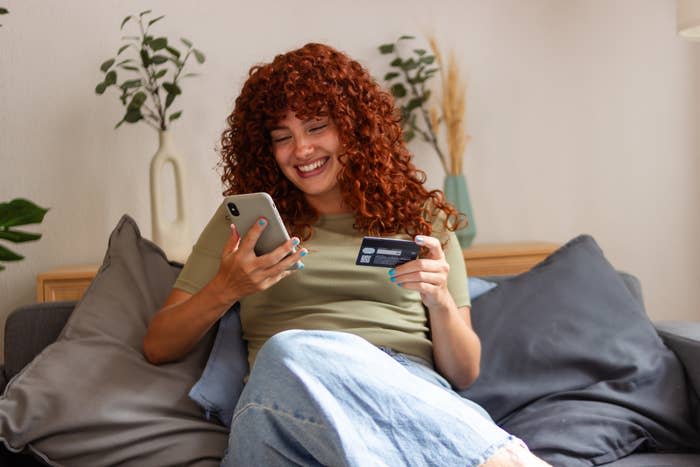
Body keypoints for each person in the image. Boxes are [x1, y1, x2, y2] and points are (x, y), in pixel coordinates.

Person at [143, 43, 549, 467]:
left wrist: (439, 299)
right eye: (282, 138)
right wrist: (227, 289)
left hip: (405, 390)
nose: (300, 151)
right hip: (280, 406)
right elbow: (158, 345)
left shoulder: (420, 215)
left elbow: (465, 372)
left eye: (317, 128)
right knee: (288, 353)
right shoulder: (245, 224)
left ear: (353, 127)